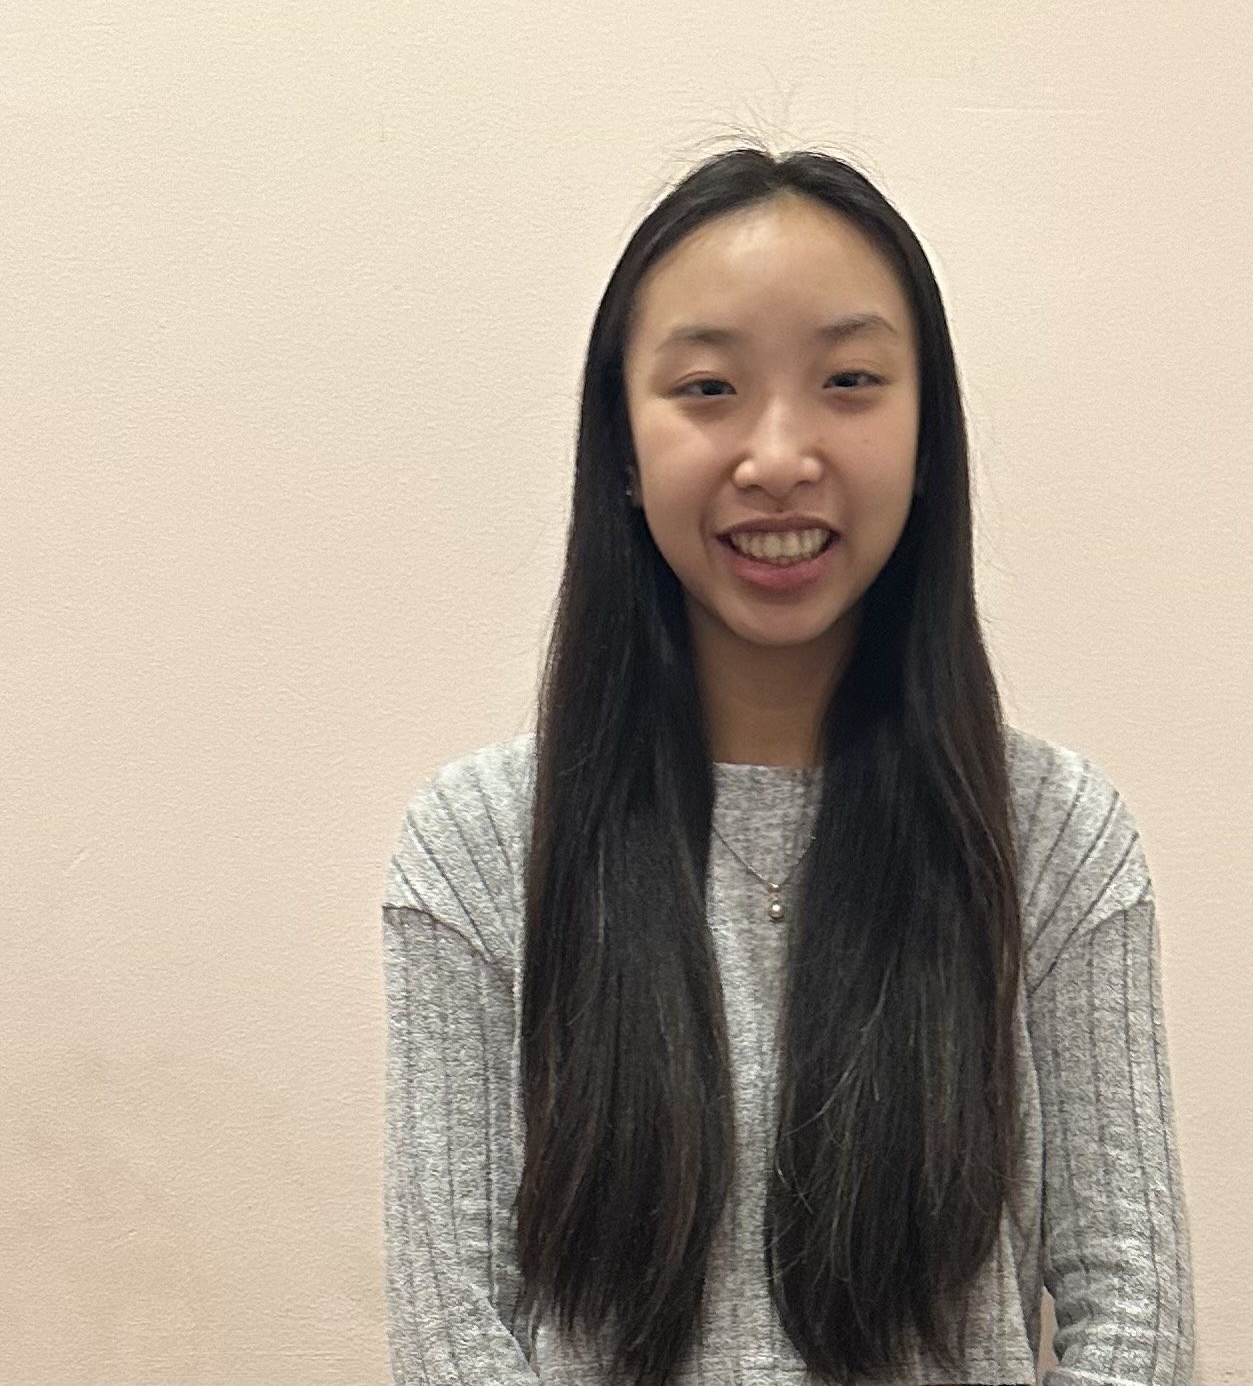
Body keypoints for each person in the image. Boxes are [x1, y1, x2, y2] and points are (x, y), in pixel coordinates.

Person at [382, 143, 1196, 1385]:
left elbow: (1129, 1305)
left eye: (848, 379)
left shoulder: (1054, 835)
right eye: (707, 387)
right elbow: (454, 1338)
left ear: (929, 436)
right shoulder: (480, 845)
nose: (776, 454)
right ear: (621, 440)